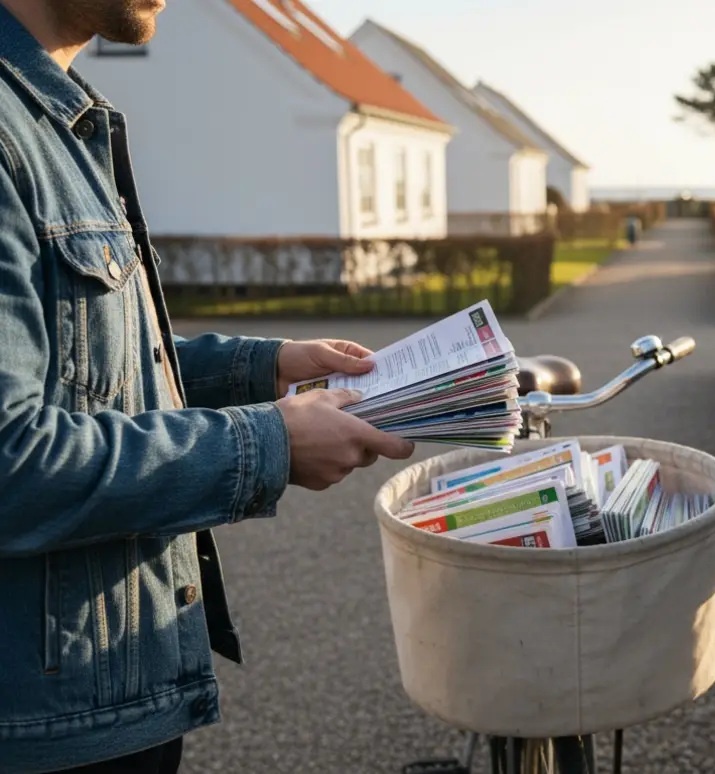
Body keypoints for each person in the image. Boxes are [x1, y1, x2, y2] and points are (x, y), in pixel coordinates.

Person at [0, 1, 417, 771]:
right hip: (48, 732)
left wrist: (265, 364)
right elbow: (10, 460)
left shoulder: (54, 112)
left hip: (98, 698)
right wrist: (271, 443)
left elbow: (86, 366)